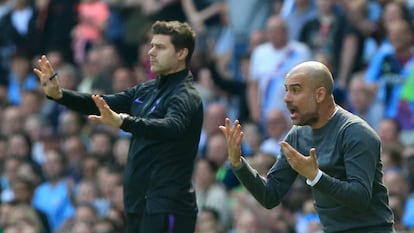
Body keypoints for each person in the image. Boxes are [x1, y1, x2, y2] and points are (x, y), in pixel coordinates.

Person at [34, 20, 203, 233]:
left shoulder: (185, 95)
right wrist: (60, 95)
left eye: (160, 47)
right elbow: (103, 103)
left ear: (181, 53)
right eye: (151, 46)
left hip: (167, 206)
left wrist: (123, 121)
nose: (151, 52)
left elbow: (172, 126)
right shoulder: (146, 90)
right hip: (139, 204)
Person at [220, 61, 395, 233]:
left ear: (319, 95)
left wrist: (316, 176)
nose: (286, 98)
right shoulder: (297, 135)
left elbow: (360, 198)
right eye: (286, 90)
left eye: (295, 90)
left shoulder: (356, 132)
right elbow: (270, 195)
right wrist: (238, 163)